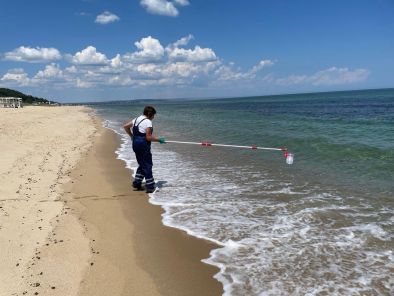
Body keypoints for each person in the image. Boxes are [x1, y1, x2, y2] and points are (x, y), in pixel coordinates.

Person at [123, 106, 165, 193]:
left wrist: (131, 136)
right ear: (150, 114)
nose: (154, 117)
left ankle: (137, 183)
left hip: (135, 144)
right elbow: (148, 137)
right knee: (147, 164)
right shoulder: (148, 122)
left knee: (142, 163)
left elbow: (125, 126)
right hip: (143, 145)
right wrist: (159, 140)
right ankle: (150, 186)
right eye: (153, 115)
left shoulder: (137, 119)